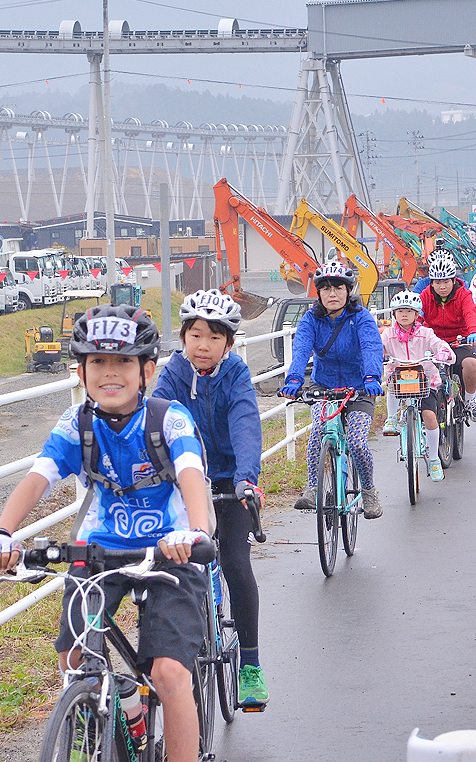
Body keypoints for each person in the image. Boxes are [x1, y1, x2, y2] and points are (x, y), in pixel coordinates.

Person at [0, 305, 210, 762]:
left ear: (147, 370)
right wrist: (2, 532)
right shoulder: (76, 424)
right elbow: (37, 476)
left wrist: (197, 533)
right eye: (97, 362)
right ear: (80, 371)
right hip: (99, 552)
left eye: (124, 362)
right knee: (72, 660)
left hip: (171, 552)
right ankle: (115, 709)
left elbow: (190, 474)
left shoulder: (170, 419)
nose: (110, 373)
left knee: (167, 673)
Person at [153, 289, 269, 707]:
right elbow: (155, 416)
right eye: (195, 335)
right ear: (183, 337)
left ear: (229, 343)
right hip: (184, 481)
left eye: (214, 337)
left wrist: (246, 479)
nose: (203, 346)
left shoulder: (235, 373)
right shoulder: (173, 373)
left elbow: (245, 424)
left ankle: (251, 664)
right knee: (170, 566)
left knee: (237, 564)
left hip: (227, 480)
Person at [278, 261, 384, 519]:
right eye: (325, 289)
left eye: (338, 288)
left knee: (357, 443)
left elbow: (371, 346)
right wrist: (294, 380)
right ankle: (313, 487)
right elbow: (301, 348)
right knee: (318, 431)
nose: (332, 294)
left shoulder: (360, 317)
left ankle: (369, 492)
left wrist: (372, 376)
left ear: (348, 291)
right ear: (319, 293)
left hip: (359, 386)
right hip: (323, 386)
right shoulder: (311, 319)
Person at [381, 290, 455, 482]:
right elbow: (376, 349)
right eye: (400, 311)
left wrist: (443, 353)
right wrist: (376, 357)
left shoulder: (425, 333)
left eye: (409, 311)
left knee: (429, 415)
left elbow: (440, 345)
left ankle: (433, 460)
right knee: (392, 384)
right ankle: (391, 419)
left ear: (417, 314)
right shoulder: (388, 335)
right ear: (394, 314)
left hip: (424, 381)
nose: (404, 315)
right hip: (399, 380)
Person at [420, 257, 476, 422]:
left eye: (446, 281)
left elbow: (471, 313)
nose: (442, 286)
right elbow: (417, 318)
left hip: (460, 340)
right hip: (434, 342)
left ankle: (470, 400)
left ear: (454, 280)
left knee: (471, 364)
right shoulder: (425, 296)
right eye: (437, 282)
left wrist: (474, 331)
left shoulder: (464, 294)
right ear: (431, 282)